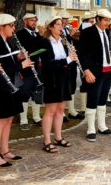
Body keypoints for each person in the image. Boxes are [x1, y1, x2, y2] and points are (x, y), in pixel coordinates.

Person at [0, 14, 33, 168]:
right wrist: (22, 65)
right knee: (0, 120)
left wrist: (20, 57)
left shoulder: (7, 42)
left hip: (11, 84)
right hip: (1, 85)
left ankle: (5, 151)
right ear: (2, 26)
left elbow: (9, 61)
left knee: (8, 119)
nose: (14, 29)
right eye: (11, 25)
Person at [39, 16, 77, 153]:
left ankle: (58, 137)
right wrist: (67, 59)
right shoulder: (44, 42)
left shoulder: (63, 41)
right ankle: (47, 141)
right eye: (58, 25)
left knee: (61, 109)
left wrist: (71, 55)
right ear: (50, 27)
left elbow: (67, 62)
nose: (61, 27)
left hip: (64, 78)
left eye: (62, 25)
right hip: (52, 80)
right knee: (50, 111)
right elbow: (48, 64)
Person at [79, 9, 111, 142]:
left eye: (109, 21)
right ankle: (90, 129)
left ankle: (102, 126)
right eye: (105, 20)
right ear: (98, 19)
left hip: (107, 70)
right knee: (92, 99)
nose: (108, 23)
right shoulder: (87, 32)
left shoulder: (107, 32)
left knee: (102, 99)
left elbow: (102, 49)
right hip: (94, 71)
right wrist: (86, 70)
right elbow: (82, 53)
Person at [16, 13, 43, 131]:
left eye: (35, 21)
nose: (34, 23)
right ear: (25, 22)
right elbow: (30, 47)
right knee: (24, 93)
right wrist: (40, 38)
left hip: (37, 66)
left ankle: (37, 117)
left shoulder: (37, 34)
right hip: (25, 68)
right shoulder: (20, 34)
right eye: (31, 21)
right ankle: (23, 120)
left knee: (37, 92)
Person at [60, 13, 83, 121]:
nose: (65, 21)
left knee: (72, 84)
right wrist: (70, 35)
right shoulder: (58, 31)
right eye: (63, 19)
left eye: (66, 19)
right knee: (64, 85)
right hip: (63, 61)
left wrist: (74, 36)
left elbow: (70, 42)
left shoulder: (65, 31)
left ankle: (71, 110)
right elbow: (62, 44)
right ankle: (62, 112)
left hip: (71, 60)